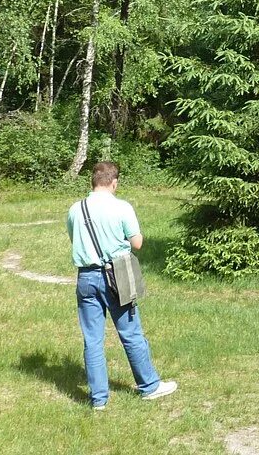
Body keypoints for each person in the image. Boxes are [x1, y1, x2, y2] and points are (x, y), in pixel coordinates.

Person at [67, 160, 177, 409]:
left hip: (85, 278)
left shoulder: (76, 209)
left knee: (92, 339)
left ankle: (98, 400)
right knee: (130, 332)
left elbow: (73, 238)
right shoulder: (121, 207)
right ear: (114, 182)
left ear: (92, 181)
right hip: (116, 276)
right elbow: (137, 243)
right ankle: (149, 386)